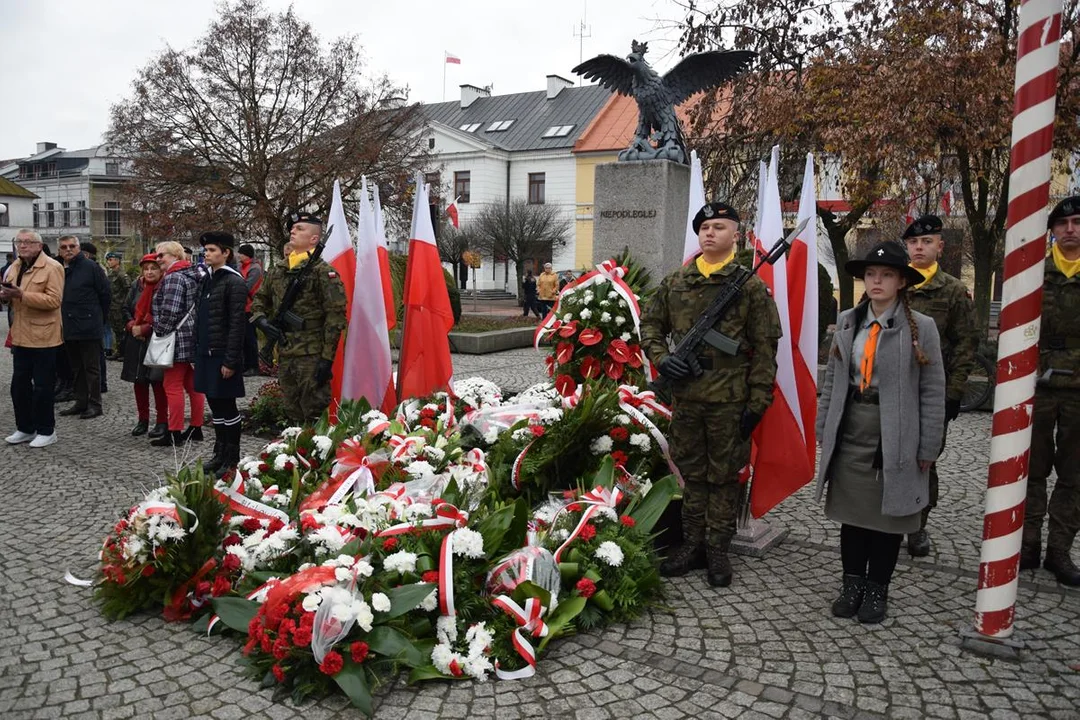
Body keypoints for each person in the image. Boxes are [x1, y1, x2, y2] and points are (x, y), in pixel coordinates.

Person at [640, 202, 781, 588]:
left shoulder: (750, 287)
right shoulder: (676, 282)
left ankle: (718, 548)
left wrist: (757, 403)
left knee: (723, 478)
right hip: (687, 398)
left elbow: (766, 350)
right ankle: (691, 545)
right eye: (704, 226)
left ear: (735, 234)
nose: (709, 233)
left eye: (719, 226)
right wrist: (662, 359)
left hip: (730, 400)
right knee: (691, 475)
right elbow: (650, 323)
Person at [816, 241, 945, 623]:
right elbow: (834, 382)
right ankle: (851, 584)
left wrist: (928, 444)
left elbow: (933, 390)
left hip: (895, 433)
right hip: (852, 428)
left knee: (888, 520)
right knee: (853, 516)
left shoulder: (922, 328)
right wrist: (824, 425)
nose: (877, 281)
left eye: (886, 274)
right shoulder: (848, 322)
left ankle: (877, 589)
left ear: (901, 281)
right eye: (871, 274)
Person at [901, 215, 978, 557]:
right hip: (890, 389)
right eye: (914, 242)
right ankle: (888, 521)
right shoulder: (893, 281)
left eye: (927, 242)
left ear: (940, 247)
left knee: (924, 459)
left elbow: (965, 344)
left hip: (931, 391)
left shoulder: (953, 290)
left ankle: (917, 525)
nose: (920, 247)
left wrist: (955, 393)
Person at [1023, 196, 1080, 586]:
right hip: (1040, 386)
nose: (1071, 230)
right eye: (1063, 224)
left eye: (1077, 222)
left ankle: (1059, 551)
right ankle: (1026, 544)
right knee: (1032, 469)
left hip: (1079, 390)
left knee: (1074, 476)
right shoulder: (1035, 275)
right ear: (1053, 231)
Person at [252, 212, 346, 423]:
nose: (293, 231)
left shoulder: (323, 272)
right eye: (292, 229)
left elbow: (336, 317)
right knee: (291, 409)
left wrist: (326, 359)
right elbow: (259, 301)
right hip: (286, 350)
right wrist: (263, 322)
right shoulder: (278, 270)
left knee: (314, 412)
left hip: (312, 354)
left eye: (300, 229)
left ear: (314, 239)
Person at [1, 230, 64, 447]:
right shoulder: (15, 266)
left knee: (42, 387)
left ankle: (47, 430)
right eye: (20, 241)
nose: (23, 245)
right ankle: (25, 428)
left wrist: (22, 295)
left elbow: (54, 301)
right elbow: (12, 295)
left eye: (28, 242)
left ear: (39, 245)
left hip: (44, 336)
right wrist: (6, 296)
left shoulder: (53, 267)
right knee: (18, 386)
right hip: (20, 334)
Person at [193, 232, 247, 476]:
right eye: (206, 250)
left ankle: (231, 458)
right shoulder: (208, 279)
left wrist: (230, 360)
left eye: (213, 250)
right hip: (206, 352)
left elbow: (237, 324)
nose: (207, 254)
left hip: (223, 354)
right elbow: (200, 317)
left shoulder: (233, 282)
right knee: (215, 405)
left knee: (227, 407)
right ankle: (218, 453)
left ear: (226, 253)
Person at [151, 240, 205, 447]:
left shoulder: (174, 277)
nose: (158, 259)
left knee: (172, 386)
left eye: (161, 255)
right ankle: (196, 427)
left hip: (176, 339)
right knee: (193, 385)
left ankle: (174, 432)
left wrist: (159, 332)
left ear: (174, 255)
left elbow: (170, 311)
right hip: (192, 336)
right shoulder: (194, 274)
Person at [56, 236, 109, 419]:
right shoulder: (60, 268)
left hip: (88, 324)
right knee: (76, 368)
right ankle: (80, 402)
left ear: (79, 248)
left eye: (72, 246)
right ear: (59, 250)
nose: (68, 249)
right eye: (64, 247)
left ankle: (95, 404)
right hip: (69, 326)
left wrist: (98, 319)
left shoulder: (90, 267)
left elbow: (105, 294)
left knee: (91, 368)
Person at [121, 253, 169, 438]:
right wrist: (132, 325)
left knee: (157, 382)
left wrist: (146, 329)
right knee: (138, 381)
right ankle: (143, 420)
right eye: (146, 268)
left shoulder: (164, 286)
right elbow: (126, 308)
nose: (149, 272)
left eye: (153, 268)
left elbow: (165, 313)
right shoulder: (136, 285)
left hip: (156, 339)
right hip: (135, 339)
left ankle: (162, 421)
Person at [237, 243, 264, 375]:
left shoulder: (254, 269)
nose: (238, 255)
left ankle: (253, 366)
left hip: (250, 307)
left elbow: (246, 287)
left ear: (245, 254)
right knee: (242, 338)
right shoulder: (241, 267)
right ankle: (245, 365)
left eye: (240, 253)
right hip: (242, 307)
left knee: (250, 338)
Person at [105, 251, 132, 359]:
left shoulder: (122, 275)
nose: (109, 262)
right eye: (108, 260)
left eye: (111, 260)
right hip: (113, 307)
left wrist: (125, 305)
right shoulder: (111, 274)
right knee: (116, 330)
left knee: (122, 331)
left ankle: (124, 352)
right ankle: (119, 351)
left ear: (117, 260)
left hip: (120, 307)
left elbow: (128, 290)